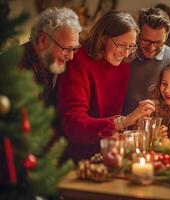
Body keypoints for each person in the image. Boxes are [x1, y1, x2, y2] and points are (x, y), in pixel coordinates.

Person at [56, 10, 155, 163]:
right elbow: (73, 124)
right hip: (77, 157)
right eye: (121, 45)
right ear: (103, 38)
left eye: (131, 46)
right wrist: (123, 122)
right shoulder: (78, 61)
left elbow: (110, 117)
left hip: (108, 152)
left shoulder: (122, 64)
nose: (126, 53)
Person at [123, 7, 170, 116]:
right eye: (146, 41)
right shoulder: (124, 56)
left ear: (166, 36)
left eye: (158, 42)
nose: (151, 48)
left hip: (162, 129)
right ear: (137, 34)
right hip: (126, 127)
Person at [19, 7, 82, 106]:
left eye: (74, 49)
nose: (71, 57)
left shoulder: (51, 62)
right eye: (66, 48)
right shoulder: (16, 70)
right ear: (43, 40)